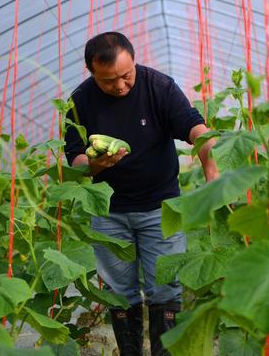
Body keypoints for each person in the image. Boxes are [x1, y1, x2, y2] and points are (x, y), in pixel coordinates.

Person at [64, 32, 218, 356]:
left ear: (134, 62)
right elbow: (75, 157)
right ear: (92, 73)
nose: (120, 86)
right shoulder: (79, 102)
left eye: (126, 75)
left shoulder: (158, 87)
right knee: (120, 293)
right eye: (109, 81)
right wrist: (94, 165)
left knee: (164, 289)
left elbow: (197, 129)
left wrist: (213, 172)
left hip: (160, 208)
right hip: (108, 213)